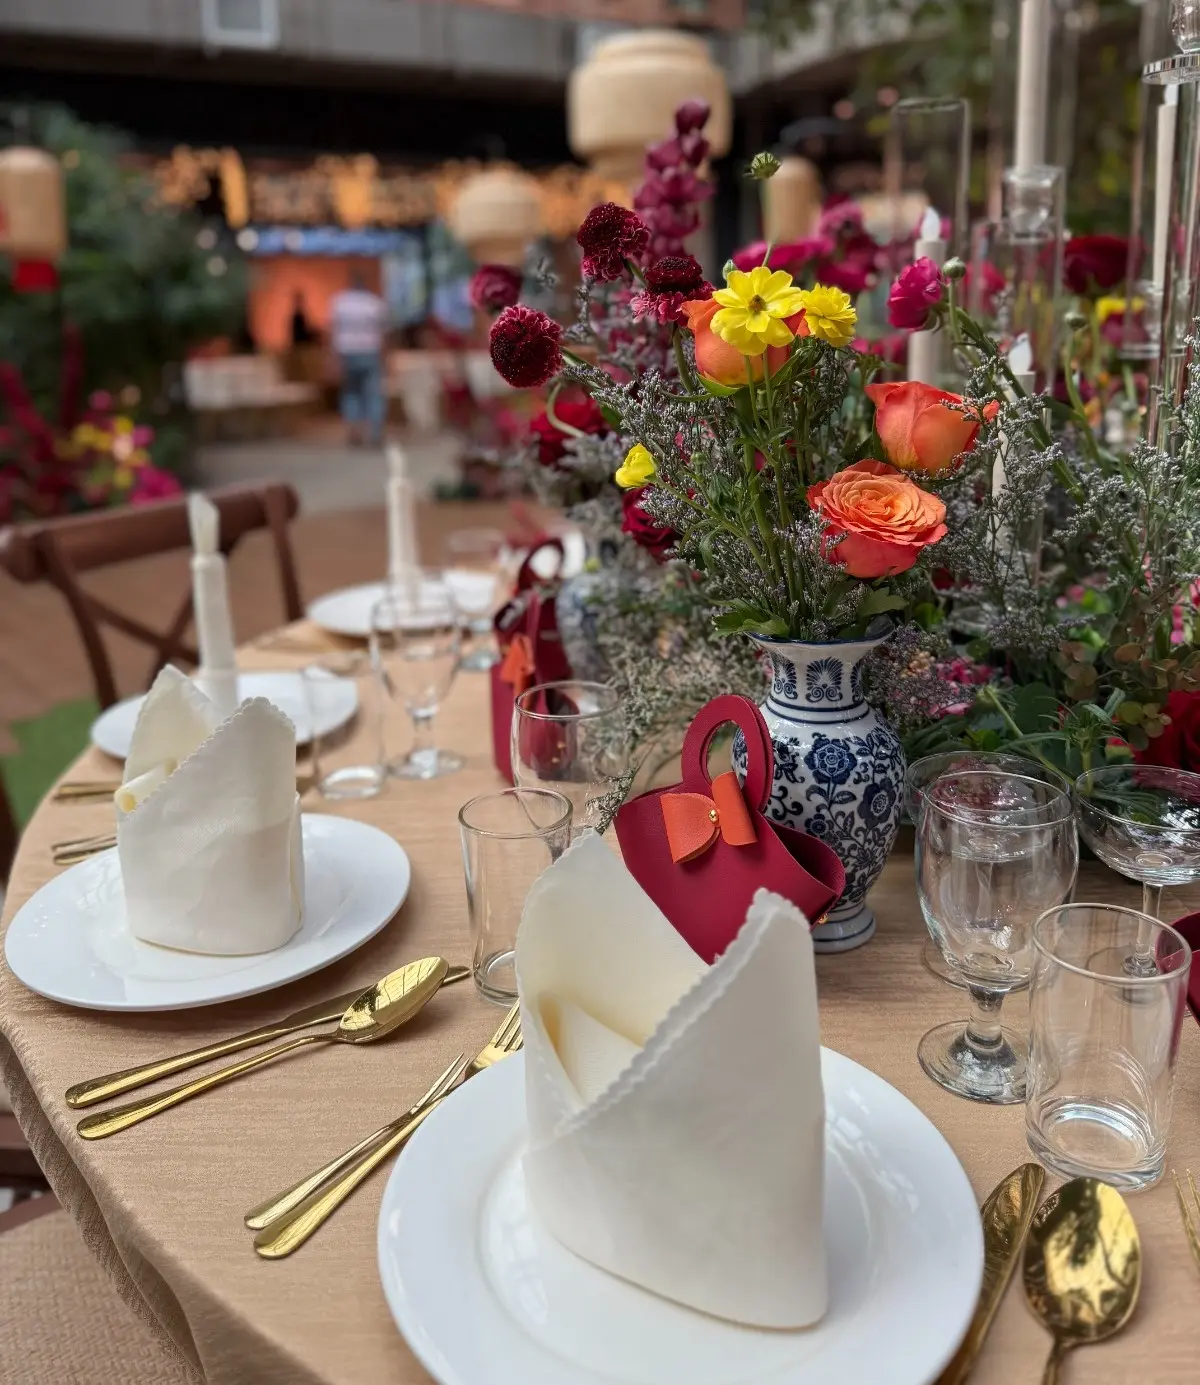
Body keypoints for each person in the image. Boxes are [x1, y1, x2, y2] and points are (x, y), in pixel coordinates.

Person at [330, 271, 387, 446]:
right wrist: (386, 357)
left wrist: (332, 358)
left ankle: (354, 430)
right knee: (373, 394)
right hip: (370, 351)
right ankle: (375, 433)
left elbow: (332, 330)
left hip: (346, 352)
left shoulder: (339, 302)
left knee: (351, 393)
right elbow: (384, 333)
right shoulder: (374, 303)